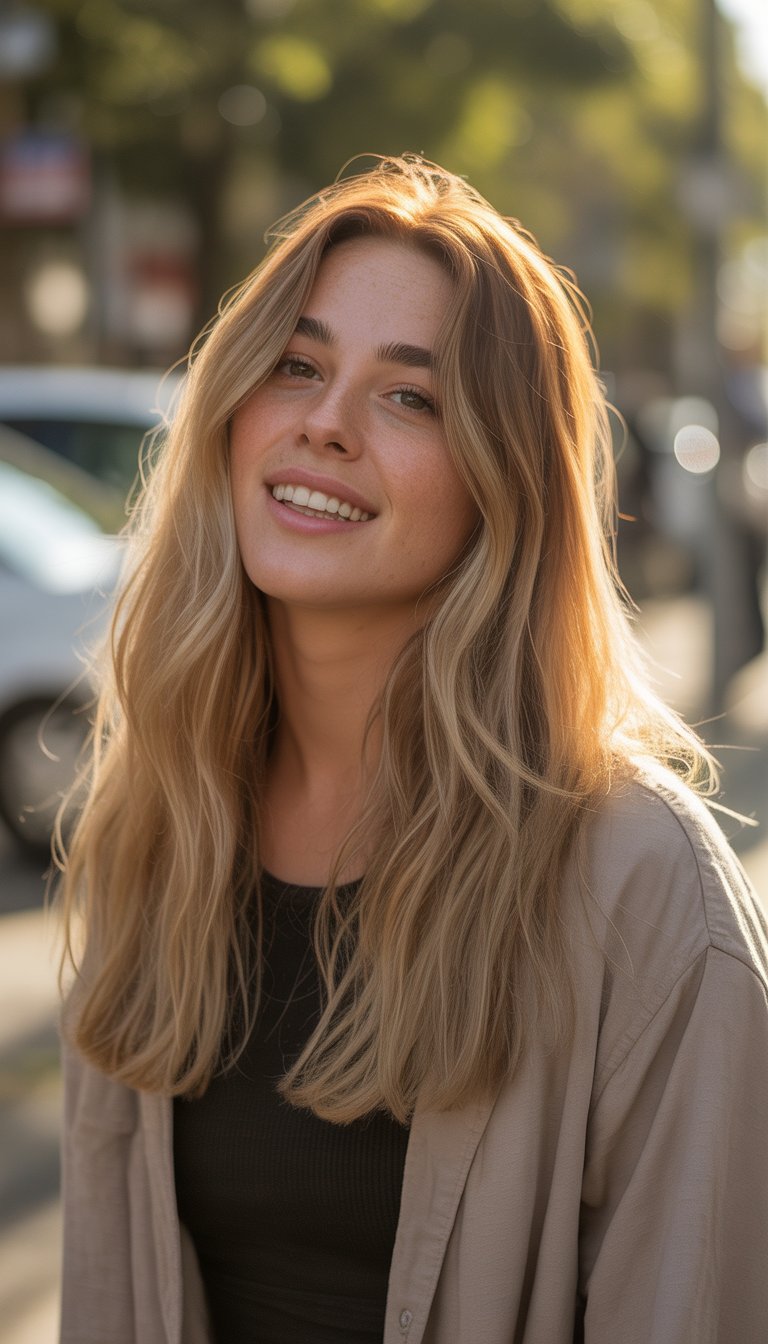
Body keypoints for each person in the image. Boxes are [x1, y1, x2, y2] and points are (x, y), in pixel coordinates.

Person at [57, 154, 768, 1344]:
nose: (324, 426)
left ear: (505, 486)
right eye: (297, 365)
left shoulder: (639, 887)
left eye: (410, 398)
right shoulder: (156, 825)